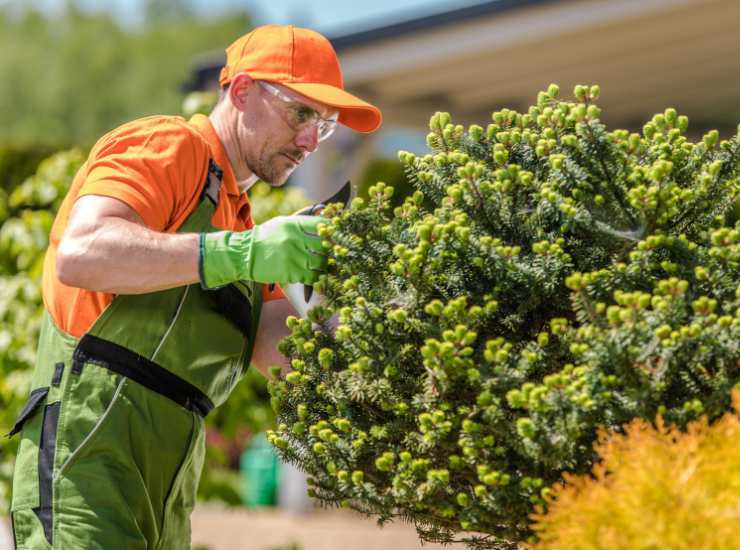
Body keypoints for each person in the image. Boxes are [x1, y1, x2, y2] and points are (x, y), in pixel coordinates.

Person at [8, 24, 381, 549]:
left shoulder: (243, 227)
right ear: (244, 90)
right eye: (301, 114)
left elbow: (290, 356)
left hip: (168, 494)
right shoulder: (169, 146)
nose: (308, 142)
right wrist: (241, 253)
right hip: (86, 466)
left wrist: (387, 319)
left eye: (323, 127)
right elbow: (82, 251)